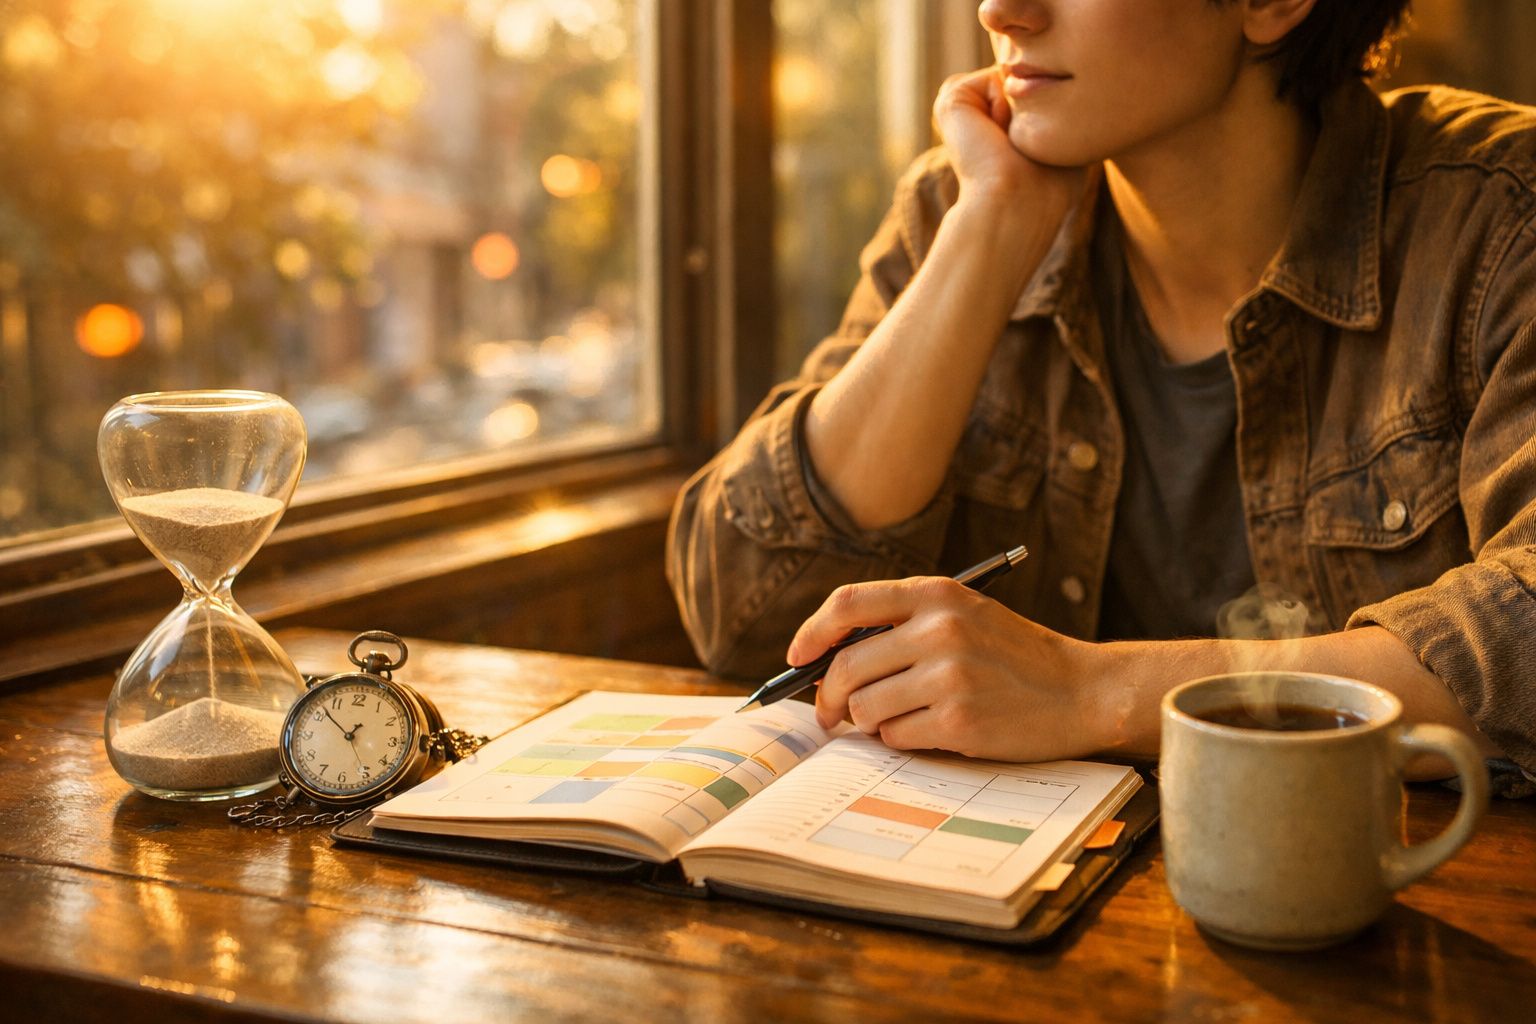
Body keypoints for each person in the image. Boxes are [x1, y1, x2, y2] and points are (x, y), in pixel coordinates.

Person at [666, 0, 1536, 783]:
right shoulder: (963, 204)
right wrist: (992, 231)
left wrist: (1091, 691)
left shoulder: (1498, 220)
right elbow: (744, 611)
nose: (1000, 10)